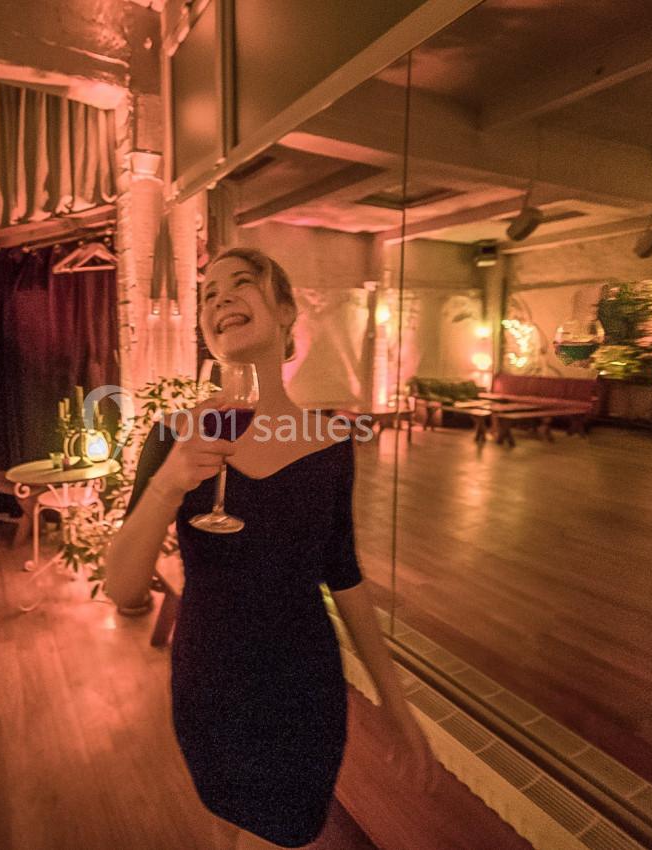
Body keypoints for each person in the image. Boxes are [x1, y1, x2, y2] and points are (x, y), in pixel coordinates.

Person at [105, 247, 440, 849]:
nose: (220, 298)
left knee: (284, 831)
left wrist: (396, 703)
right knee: (225, 825)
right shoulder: (174, 436)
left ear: (286, 314)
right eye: (208, 294)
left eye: (242, 284)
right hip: (207, 684)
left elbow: (345, 576)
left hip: (300, 692)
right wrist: (168, 484)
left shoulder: (331, 443)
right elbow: (122, 589)